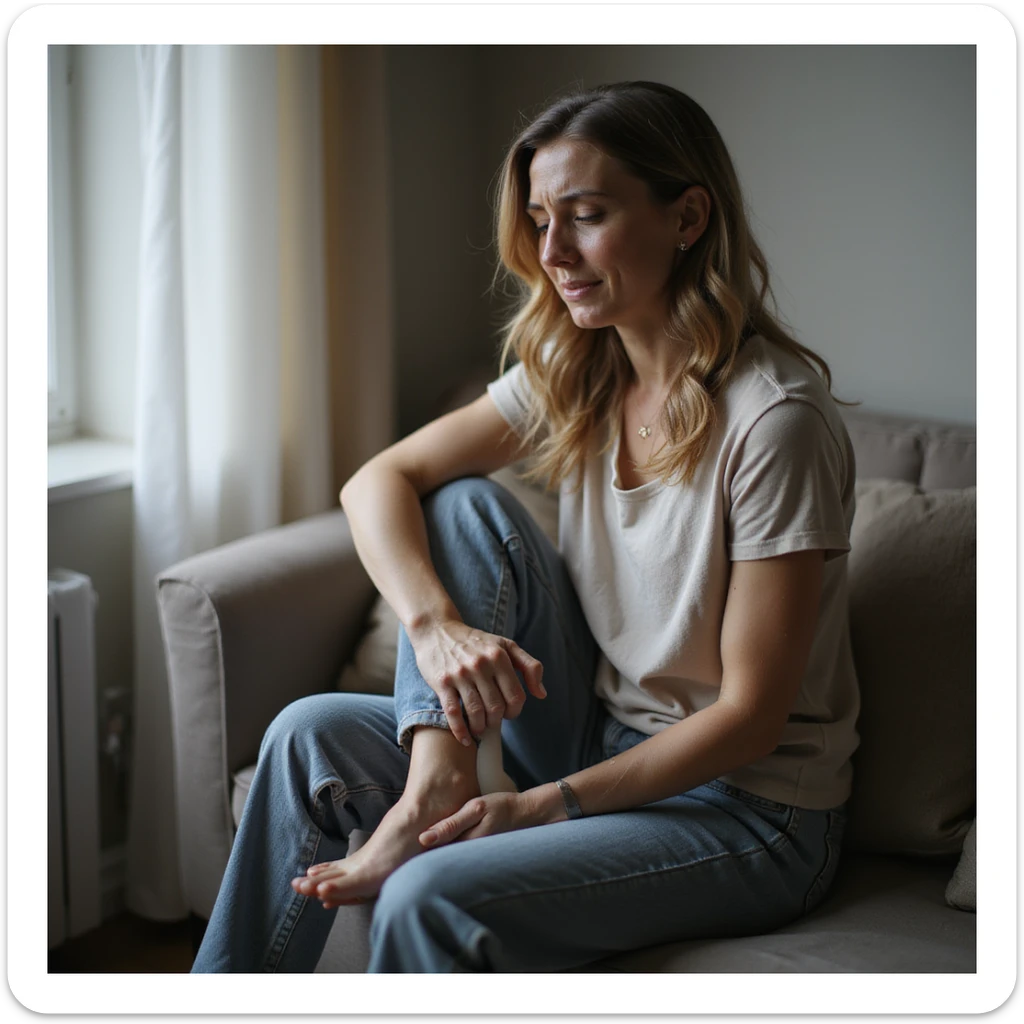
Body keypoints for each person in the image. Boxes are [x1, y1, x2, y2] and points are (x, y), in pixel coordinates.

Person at [191, 79, 859, 974]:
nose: (555, 253)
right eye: (542, 221)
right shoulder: (578, 372)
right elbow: (376, 482)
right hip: (599, 731)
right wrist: (434, 629)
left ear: (688, 217)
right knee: (311, 724)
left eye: (585, 215)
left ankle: (440, 795)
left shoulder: (774, 420)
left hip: (748, 807)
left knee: (429, 894)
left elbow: (749, 718)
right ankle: (433, 782)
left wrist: (544, 807)